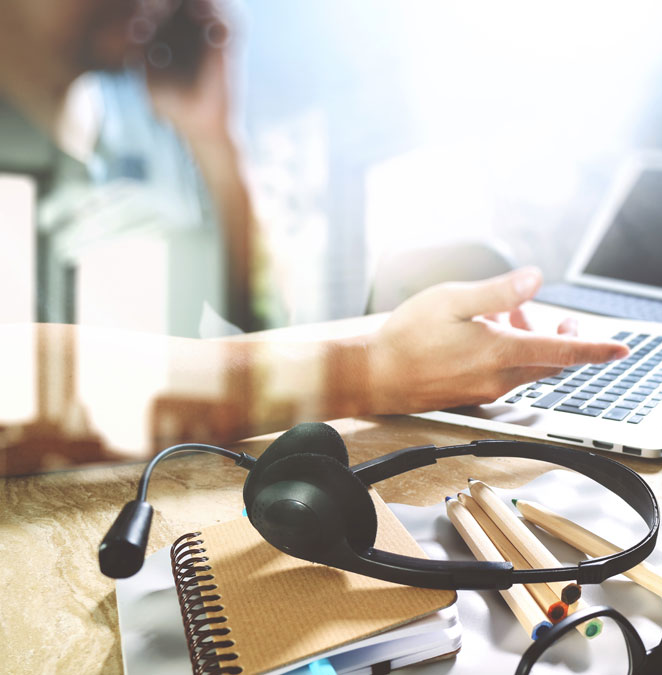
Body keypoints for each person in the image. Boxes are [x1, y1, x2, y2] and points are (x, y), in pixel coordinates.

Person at [0, 0, 627, 475]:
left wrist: (216, 145)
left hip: (184, 474)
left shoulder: (144, 115)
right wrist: (375, 369)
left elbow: (254, 324)